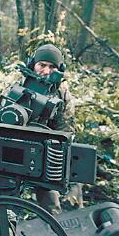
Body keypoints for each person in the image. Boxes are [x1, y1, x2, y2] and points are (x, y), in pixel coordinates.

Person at [27, 43, 82, 214]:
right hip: (21, 144)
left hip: (49, 145)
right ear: (32, 65)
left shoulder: (62, 93)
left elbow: (65, 130)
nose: (46, 71)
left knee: (73, 171)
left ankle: (70, 217)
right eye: (42, 65)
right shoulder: (20, 85)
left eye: (52, 67)